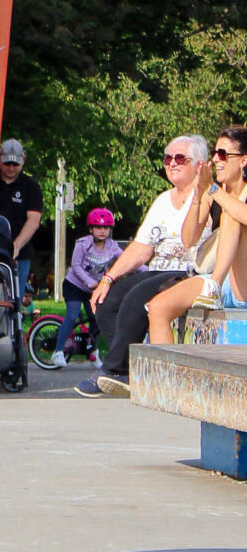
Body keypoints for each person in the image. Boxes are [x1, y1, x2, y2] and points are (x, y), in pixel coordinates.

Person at [77, 134, 211, 398]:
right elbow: (141, 248)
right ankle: (128, 369)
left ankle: (113, 370)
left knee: (136, 299)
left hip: (187, 270)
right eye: (167, 158)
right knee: (106, 301)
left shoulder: (206, 197)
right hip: (157, 270)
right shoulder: (163, 201)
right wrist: (108, 278)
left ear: (198, 164)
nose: (172, 163)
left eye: (180, 158)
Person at [147, 128, 247, 339]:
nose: (215, 159)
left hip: (241, 282)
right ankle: (166, 372)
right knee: (159, 307)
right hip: (222, 280)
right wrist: (198, 194)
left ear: (243, 160)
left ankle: (214, 286)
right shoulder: (215, 190)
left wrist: (212, 188)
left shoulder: (218, 190)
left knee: (231, 214)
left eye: (223, 154)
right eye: (214, 152)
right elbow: (188, 239)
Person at [50, 208, 122, 367]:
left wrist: (146, 269)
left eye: (106, 228)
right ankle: (58, 352)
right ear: (91, 229)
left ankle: (92, 351)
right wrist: (90, 282)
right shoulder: (83, 244)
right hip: (75, 285)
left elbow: (126, 260)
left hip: (94, 289)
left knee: (98, 318)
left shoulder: (112, 246)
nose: (103, 231)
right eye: (98, 227)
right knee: (72, 315)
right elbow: (75, 266)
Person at [0, 139, 43, 302]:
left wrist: (16, 245)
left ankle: (12, 327)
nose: (11, 167)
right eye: (7, 163)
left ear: (23, 160)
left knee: (14, 302)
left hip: (18, 257)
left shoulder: (31, 187)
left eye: (15, 163)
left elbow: (33, 221)